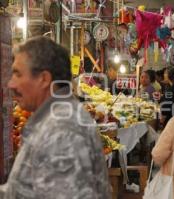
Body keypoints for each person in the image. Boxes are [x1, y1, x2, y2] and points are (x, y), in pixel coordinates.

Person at [1, 36, 111, 198]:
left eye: (17, 74)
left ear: (43, 79)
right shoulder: (56, 120)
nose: (11, 84)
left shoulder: (62, 131)